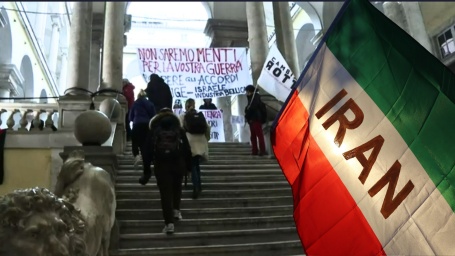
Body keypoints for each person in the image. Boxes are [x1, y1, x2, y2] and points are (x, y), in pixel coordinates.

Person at [140, 108, 192, 234]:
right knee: (177, 187)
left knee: (165, 193)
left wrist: (147, 169)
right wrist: (189, 167)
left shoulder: (154, 130)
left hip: (161, 164)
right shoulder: (178, 129)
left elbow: (146, 150)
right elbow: (186, 149)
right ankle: (176, 210)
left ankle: (169, 223)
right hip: (178, 163)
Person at [179, 98, 210, 199]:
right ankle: (199, 185)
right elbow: (207, 127)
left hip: (190, 141)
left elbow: (180, 129)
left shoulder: (183, 116)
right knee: (196, 164)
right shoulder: (199, 115)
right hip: (200, 141)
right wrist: (207, 138)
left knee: (192, 165)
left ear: (186, 106)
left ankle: (196, 187)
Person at [129, 89, 156, 169]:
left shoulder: (135, 104)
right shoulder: (150, 103)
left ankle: (137, 155)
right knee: (145, 144)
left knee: (135, 141)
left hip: (137, 124)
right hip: (147, 125)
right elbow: (153, 115)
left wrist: (133, 119)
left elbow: (131, 117)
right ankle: (146, 161)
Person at [244, 85, 267, 156]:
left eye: (247, 91)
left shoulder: (256, 97)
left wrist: (248, 112)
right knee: (253, 136)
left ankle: (262, 150)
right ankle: (254, 151)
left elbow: (253, 107)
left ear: (250, 91)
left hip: (256, 118)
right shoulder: (250, 99)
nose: (246, 93)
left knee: (259, 135)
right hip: (251, 120)